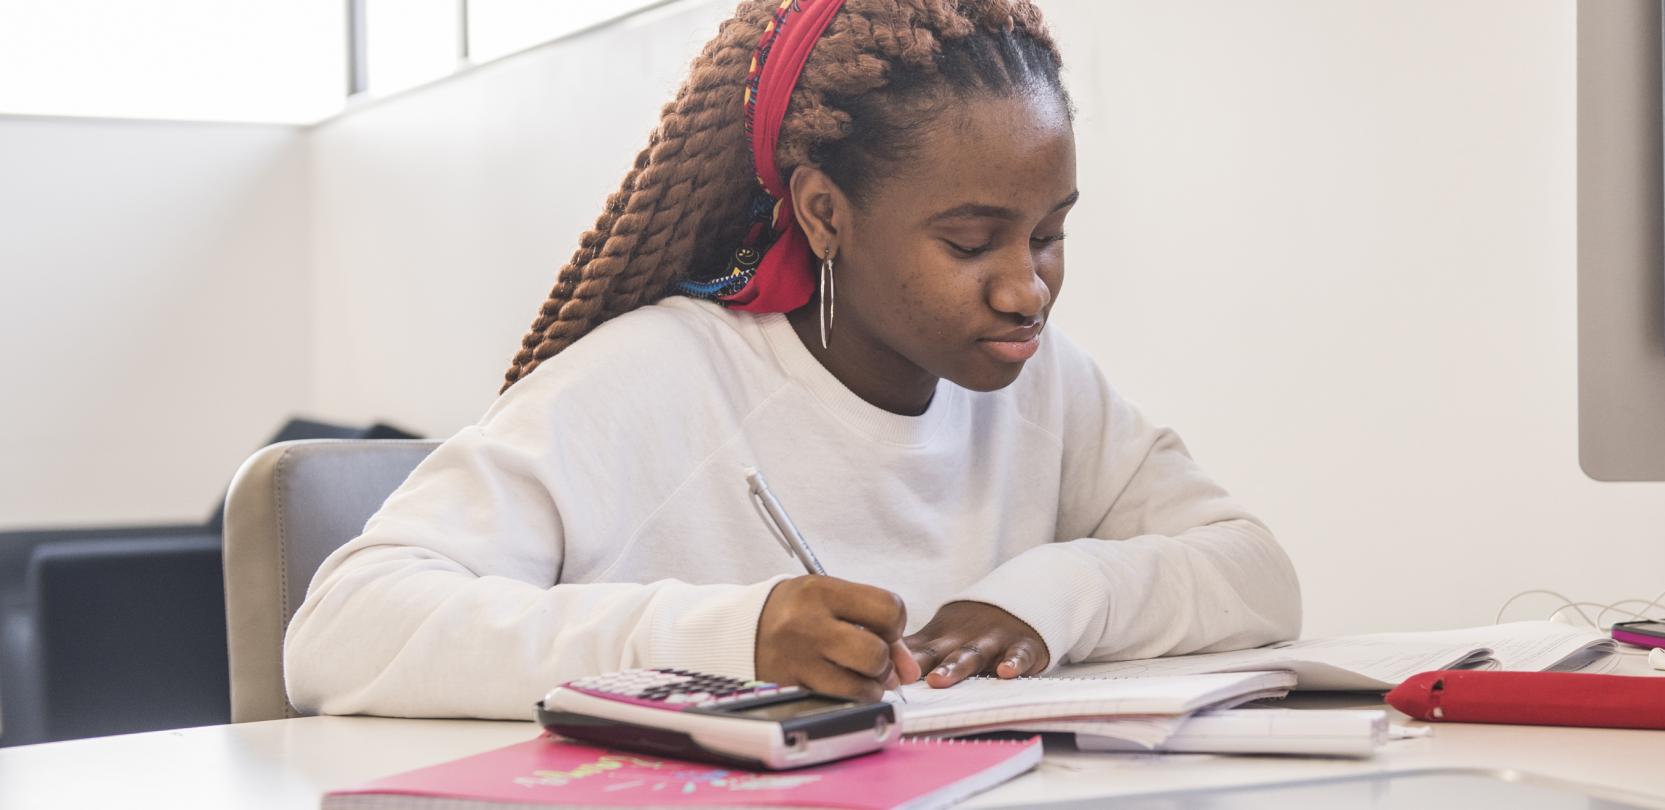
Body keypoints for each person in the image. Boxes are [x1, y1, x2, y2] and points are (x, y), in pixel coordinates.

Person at [282, 0, 1301, 719]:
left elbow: (1255, 573)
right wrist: (735, 638)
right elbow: (343, 629)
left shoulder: (1047, 385)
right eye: (970, 242)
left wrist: (1043, 598)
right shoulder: (647, 385)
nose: (1025, 289)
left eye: (1049, 235)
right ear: (825, 213)